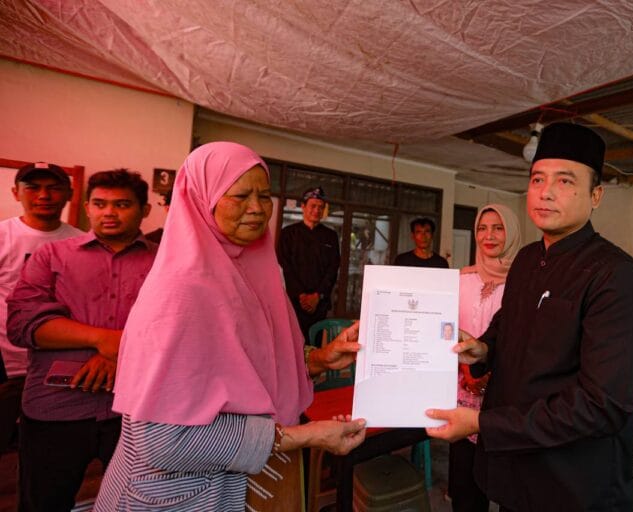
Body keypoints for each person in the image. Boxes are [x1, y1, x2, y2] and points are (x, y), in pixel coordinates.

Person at [94, 142, 366, 511]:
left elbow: (244, 367)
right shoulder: (181, 290)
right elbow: (162, 441)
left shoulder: (252, 273)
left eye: (264, 195)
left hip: (237, 487)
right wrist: (303, 436)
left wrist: (318, 358)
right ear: (202, 200)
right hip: (181, 496)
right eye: (240, 195)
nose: (257, 208)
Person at [426, 123, 633, 511]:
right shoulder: (526, 259)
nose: (546, 192)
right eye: (538, 179)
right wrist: (483, 347)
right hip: (514, 470)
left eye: (565, 181)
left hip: (572, 484)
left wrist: (483, 424)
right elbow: (510, 320)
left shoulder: (617, 278)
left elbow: (602, 405)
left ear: (596, 195)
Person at [6, 169, 156, 512]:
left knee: (138, 504)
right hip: (56, 408)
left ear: (144, 210)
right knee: (42, 504)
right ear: (87, 207)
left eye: (122, 204)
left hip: (134, 410)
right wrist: (105, 339)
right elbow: (22, 324)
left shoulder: (165, 262)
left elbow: (180, 328)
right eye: (100, 204)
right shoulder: (51, 256)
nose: (109, 212)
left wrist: (118, 353)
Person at [0, 162, 83, 458]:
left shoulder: (81, 242)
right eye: (33, 188)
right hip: (5, 363)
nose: (43, 195)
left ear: (70, 194)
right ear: (16, 192)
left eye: (54, 188)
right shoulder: (3, 235)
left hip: (59, 363)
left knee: (46, 451)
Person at [450, 203, 520, 512]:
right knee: (466, 487)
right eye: (482, 228)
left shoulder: (524, 283)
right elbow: (445, 327)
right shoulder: (461, 279)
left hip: (503, 395)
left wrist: (487, 372)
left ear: (512, 232)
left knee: (507, 485)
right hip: (461, 391)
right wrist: (467, 371)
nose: (488, 236)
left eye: (498, 228)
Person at [278, 186, 341, 342]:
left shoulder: (331, 236)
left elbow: (333, 269)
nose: (317, 210)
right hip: (293, 301)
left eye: (321, 207)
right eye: (313, 206)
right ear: (303, 206)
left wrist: (317, 296)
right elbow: (285, 266)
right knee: (292, 344)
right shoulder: (288, 233)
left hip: (319, 303)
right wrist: (301, 295)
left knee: (315, 344)